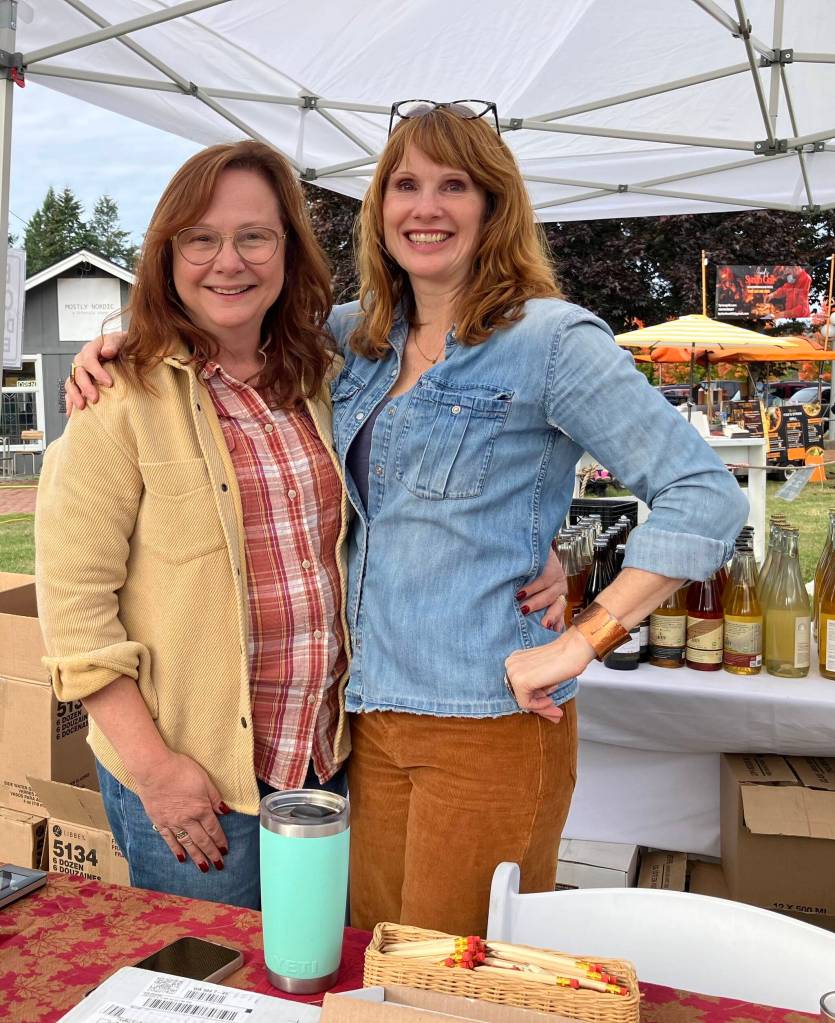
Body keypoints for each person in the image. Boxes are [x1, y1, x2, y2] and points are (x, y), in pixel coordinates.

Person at [68, 104, 748, 936]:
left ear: (495, 207)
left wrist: (583, 636)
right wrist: (116, 341)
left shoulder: (550, 340)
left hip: (483, 715)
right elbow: (221, 325)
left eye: (454, 185)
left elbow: (704, 493)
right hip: (361, 734)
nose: (425, 207)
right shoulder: (351, 340)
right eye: (405, 184)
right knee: (358, 964)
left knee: (442, 972)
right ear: (378, 207)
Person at [35, 141, 353, 909]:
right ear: (167, 256)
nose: (228, 262)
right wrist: (156, 772)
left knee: (310, 971)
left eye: (254, 236)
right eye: (200, 239)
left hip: (323, 754)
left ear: (287, 250)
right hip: (196, 774)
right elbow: (75, 612)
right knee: (215, 981)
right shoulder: (119, 398)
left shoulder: (325, 377)